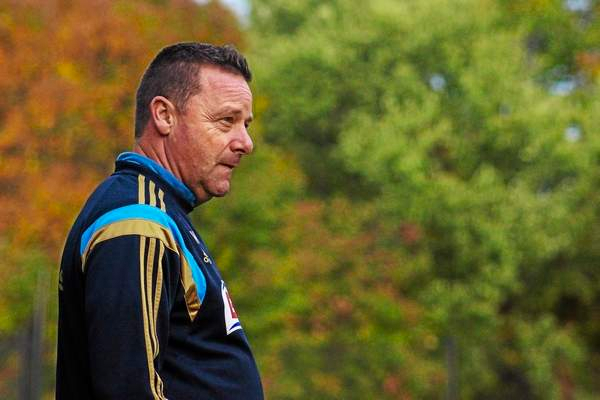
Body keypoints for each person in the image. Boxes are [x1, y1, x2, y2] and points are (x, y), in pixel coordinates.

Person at [56, 42, 263, 399]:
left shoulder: (161, 213)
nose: (246, 142)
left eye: (245, 124)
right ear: (165, 116)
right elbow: (128, 390)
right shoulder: (139, 222)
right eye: (226, 121)